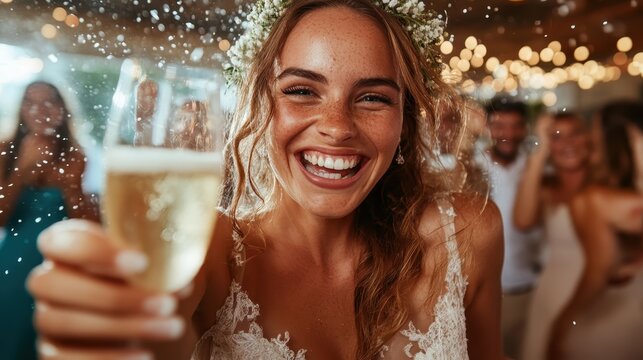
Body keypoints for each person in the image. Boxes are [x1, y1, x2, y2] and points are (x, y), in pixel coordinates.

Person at [27, 1, 504, 359]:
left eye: (373, 98)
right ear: (260, 106)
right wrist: (117, 329)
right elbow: (159, 323)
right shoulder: (213, 248)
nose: (336, 126)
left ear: (405, 121)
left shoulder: (467, 235)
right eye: (301, 90)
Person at [0, 81, 99, 360]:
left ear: (61, 110)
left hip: (60, 264)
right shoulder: (5, 150)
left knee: (49, 341)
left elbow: (88, 226)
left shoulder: (75, 155)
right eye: (31, 102)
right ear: (21, 109)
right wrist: (20, 170)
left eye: (48, 102)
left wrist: (71, 187)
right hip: (12, 265)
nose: (39, 110)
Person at [548, 101, 643, 360]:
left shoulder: (593, 200)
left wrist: (564, 323)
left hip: (616, 307)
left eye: (594, 130)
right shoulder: (626, 193)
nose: (591, 136)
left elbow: (598, 273)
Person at [513, 112, 590, 360]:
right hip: (555, 291)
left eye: (575, 133)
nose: (567, 143)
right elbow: (522, 221)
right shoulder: (546, 187)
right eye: (556, 137)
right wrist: (539, 151)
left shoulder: (608, 182)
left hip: (601, 291)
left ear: (588, 137)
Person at [478, 98, 538, 358]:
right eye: (500, 125)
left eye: (516, 126)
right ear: (488, 127)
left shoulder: (537, 167)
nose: (508, 134)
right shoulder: (472, 166)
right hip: (482, 295)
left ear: (525, 128)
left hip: (529, 290)